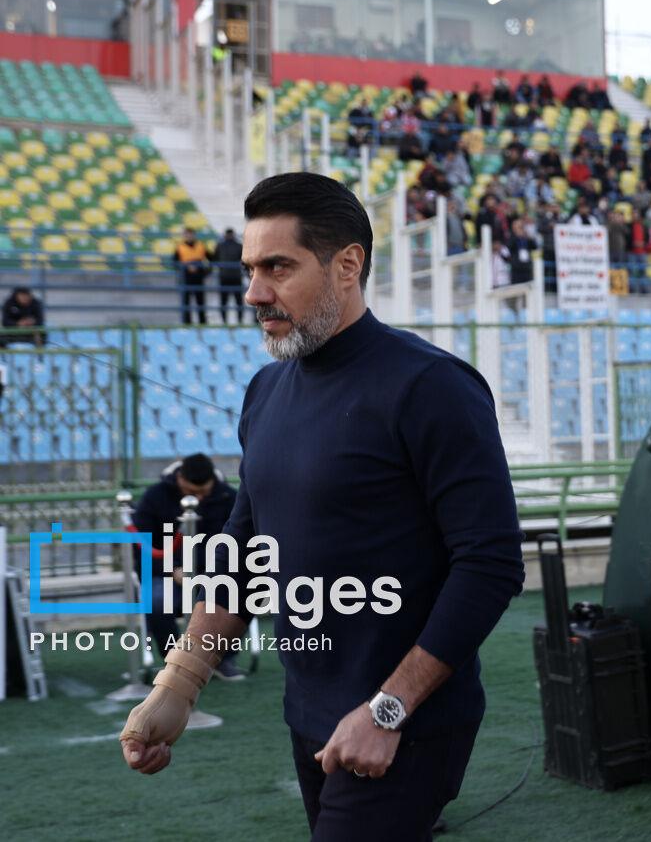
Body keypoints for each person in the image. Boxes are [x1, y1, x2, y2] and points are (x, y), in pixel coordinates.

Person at [118, 173, 525, 840]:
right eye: (250, 269)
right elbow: (244, 554)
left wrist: (388, 709)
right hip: (307, 714)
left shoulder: (432, 386)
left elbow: (491, 562)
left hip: (406, 724)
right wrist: (177, 685)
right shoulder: (264, 390)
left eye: (278, 267)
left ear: (347, 266)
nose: (254, 293)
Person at [130, 454, 244, 680]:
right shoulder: (155, 497)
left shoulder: (228, 497)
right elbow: (141, 546)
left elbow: (238, 542)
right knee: (157, 601)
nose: (198, 498)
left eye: (203, 492)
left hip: (213, 571)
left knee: (235, 595)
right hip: (165, 572)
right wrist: (172, 569)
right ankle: (176, 660)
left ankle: (221, 659)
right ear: (180, 478)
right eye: (192, 492)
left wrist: (213, 571)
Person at [173, 227, 212, 325]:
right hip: (186, 277)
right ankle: (187, 323)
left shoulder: (201, 245)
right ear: (184, 236)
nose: (189, 236)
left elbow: (212, 258)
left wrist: (206, 271)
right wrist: (185, 268)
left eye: (191, 234)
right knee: (186, 301)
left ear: (194, 235)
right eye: (187, 234)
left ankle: (202, 322)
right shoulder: (179, 247)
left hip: (199, 277)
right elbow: (174, 263)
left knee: (201, 301)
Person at [214, 228, 245, 324]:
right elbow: (215, 259)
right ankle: (224, 321)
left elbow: (244, 260)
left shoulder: (239, 246)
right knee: (224, 301)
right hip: (226, 276)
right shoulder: (220, 246)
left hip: (235, 276)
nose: (229, 236)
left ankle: (239, 321)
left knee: (238, 300)